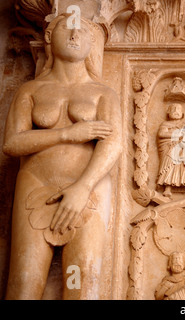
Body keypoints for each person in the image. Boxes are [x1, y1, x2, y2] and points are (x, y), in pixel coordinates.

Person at [3, 14, 122, 299]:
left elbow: (113, 143)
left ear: (92, 44)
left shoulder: (103, 94)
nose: (74, 35)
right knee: (23, 282)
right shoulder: (30, 90)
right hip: (35, 184)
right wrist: (67, 134)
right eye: (67, 28)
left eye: (82, 31)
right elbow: (12, 143)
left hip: (88, 185)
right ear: (48, 37)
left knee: (83, 282)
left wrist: (83, 187)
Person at [157, 103, 185, 198]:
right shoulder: (165, 124)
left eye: (179, 109)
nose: (176, 111)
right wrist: (177, 135)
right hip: (170, 147)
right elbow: (162, 134)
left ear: (182, 113)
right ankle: (167, 187)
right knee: (170, 158)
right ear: (168, 112)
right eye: (173, 108)